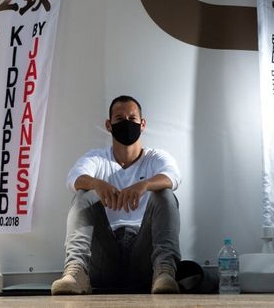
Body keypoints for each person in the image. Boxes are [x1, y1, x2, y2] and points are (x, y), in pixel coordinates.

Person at [51, 95, 182, 295]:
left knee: (164, 194)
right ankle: (76, 272)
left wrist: (144, 184)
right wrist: (97, 183)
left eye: (132, 118)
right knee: (83, 195)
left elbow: (173, 176)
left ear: (142, 123)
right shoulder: (97, 158)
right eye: (120, 119)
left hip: (144, 257)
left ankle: (165, 271)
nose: (127, 123)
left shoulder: (155, 157)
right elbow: (74, 178)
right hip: (105, 257)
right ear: (109, 125)